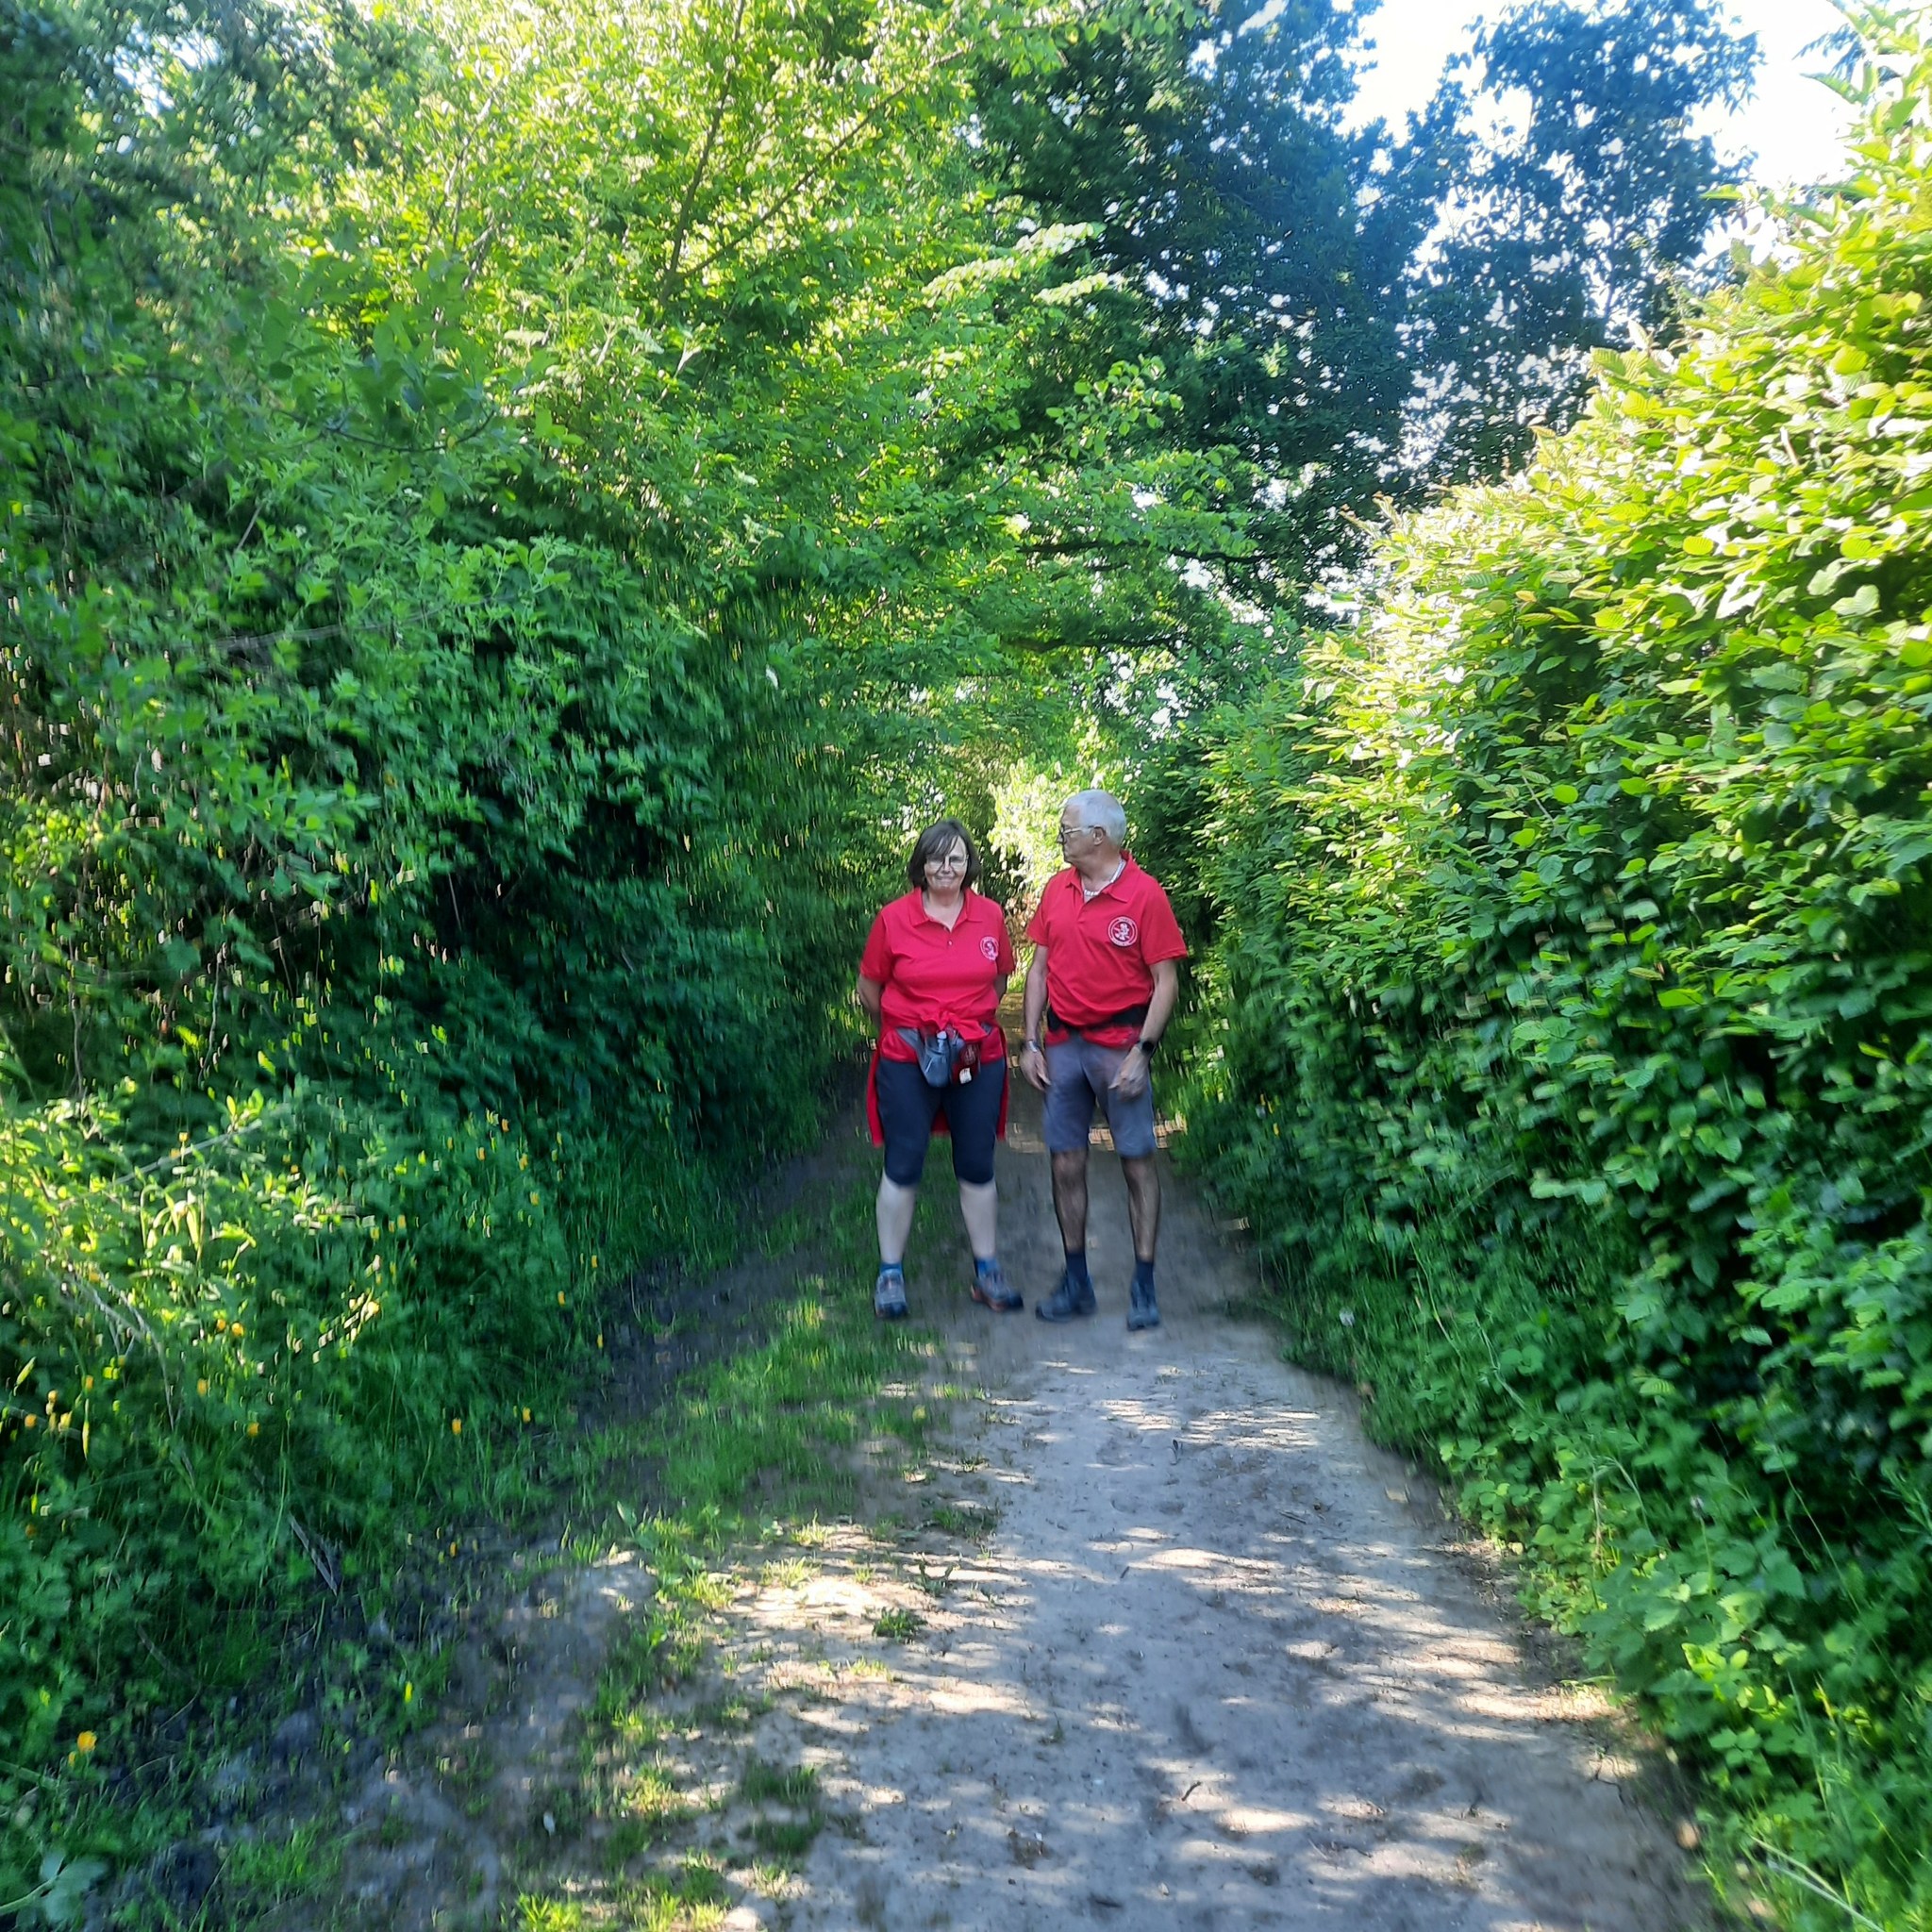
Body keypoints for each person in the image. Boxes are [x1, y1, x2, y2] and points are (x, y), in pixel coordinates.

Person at [1019, 790, 1185, 1330]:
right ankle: (1076, 1282)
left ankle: (1144, 1284)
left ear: (1099, 836)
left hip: (1120, 1048)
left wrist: (1144, 1051)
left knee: (1137, 1162)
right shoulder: (1057, 889)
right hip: (1064, 1046)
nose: (1060, 837)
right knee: (1065, 1163)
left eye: (1067, 829)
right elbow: (1039, 970)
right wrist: (1030, 1042)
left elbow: (1165, 982)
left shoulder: (1145, 895)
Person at [857, 818, 1022, 1321]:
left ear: (969, 865)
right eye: (936, 858)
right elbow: (869, 989)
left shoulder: (990, 916)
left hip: (977, 1058)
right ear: (921, 865)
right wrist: (906, 1029)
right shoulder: (893, 919)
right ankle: (890, 1275)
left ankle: (988, 1271)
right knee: (903, 1163)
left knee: (977, 1163)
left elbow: (999, 980)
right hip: (907, 1058)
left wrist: (967, 1021)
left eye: (956, 858)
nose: (946, 867)